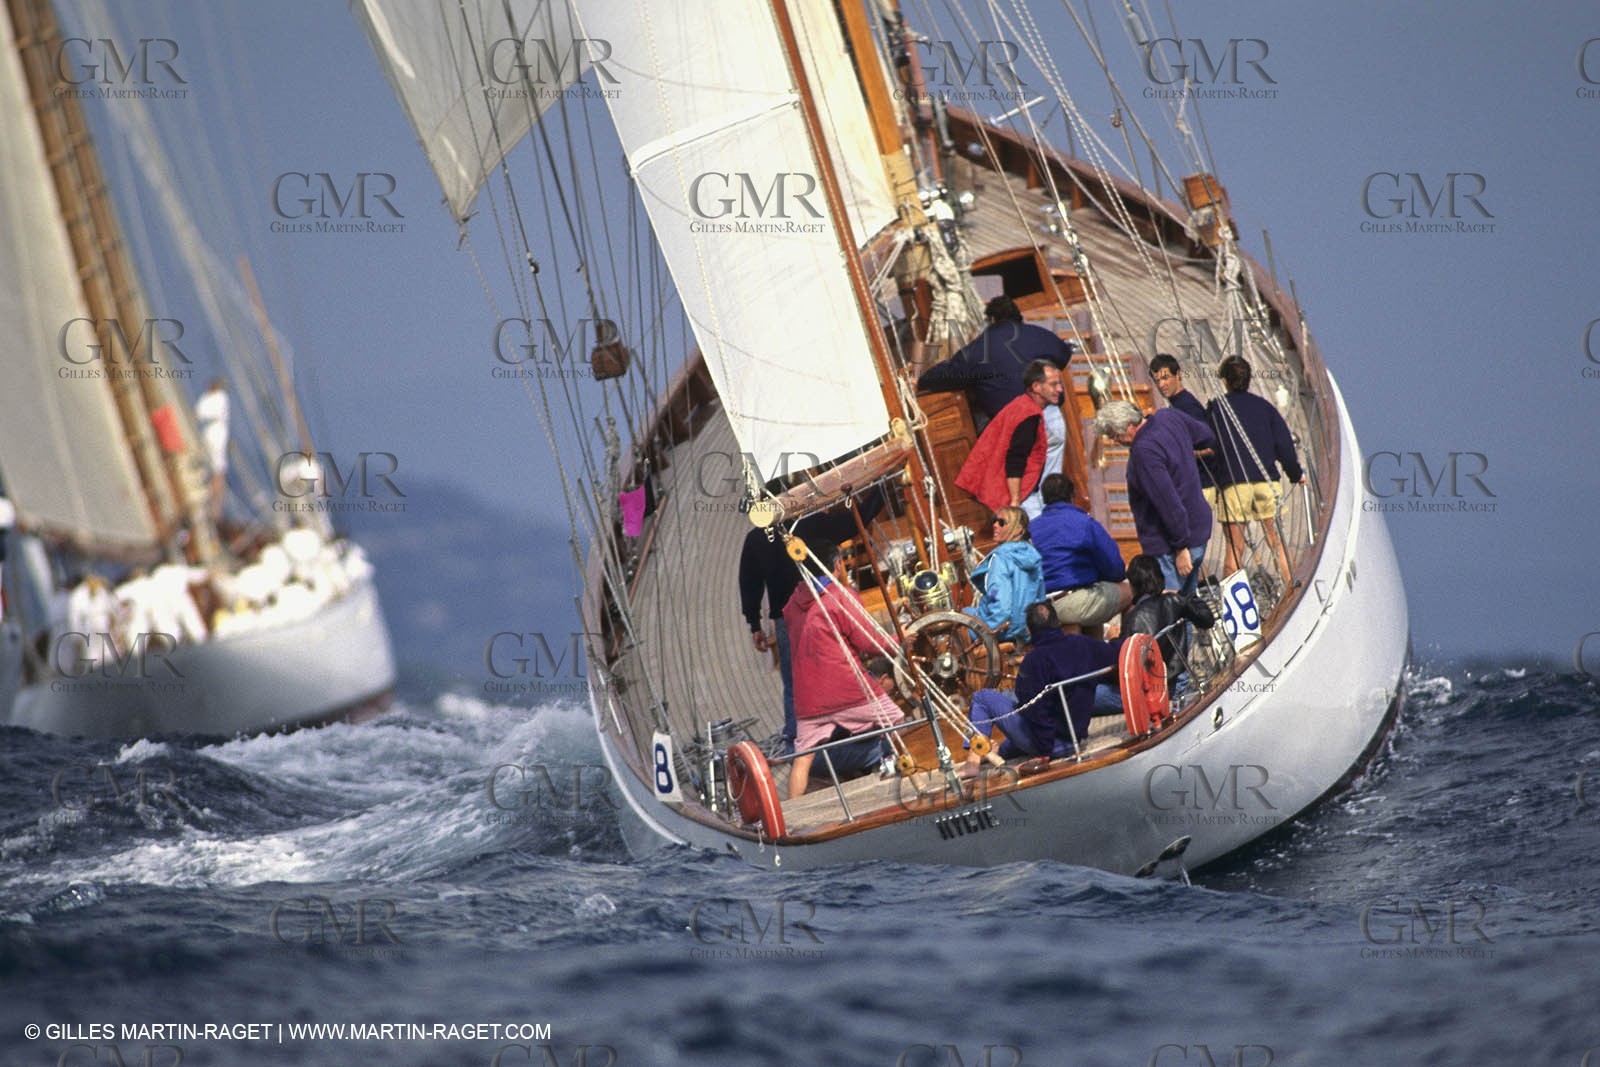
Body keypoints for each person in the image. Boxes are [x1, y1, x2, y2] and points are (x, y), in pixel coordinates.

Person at [738, 490, 885, 754]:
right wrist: (881, 491)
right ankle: (858, 731)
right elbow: (855, 520)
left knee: (795, 685)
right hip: (824, 611)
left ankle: (799, 747)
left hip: (786, 620)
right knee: (843, 669)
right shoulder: (811, 523)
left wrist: (755, 625)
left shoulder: (755, 539)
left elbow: (749, 584)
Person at [782, 539, 904, 798]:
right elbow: (869, 644)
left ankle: (791, 817)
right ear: (837, 566)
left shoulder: (792, 605)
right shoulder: (840, 597)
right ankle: (893, 776)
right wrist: (900, 641)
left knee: (802, 758)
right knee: (894, 721)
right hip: (848, 690)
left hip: (807, 700)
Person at [964, 601, 1122, 768]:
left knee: (982, 698)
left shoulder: (1034, 661)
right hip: (1074, 737)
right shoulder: (1083, 644)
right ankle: (990, 753)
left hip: (1048, 745)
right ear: (1058, 623)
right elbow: (1116, 653)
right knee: (1005, 747)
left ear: (1029, 631)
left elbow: (1033, 711)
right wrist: (1116, 639)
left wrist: (1044, 753)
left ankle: (971, 764)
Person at [1094, 400, 1215, 598]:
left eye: (1116, 436)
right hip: (1199, 528)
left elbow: (1168, 502)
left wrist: (1181, 546)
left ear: (1129, 426)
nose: (1116, 442)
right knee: (1188, 604)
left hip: (1173, 546)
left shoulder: (1143, 452)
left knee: (1171, 609)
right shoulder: (1169, 416)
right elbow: (1206, 436)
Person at [1206, 356, 1304, 589]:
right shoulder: (1265, 408)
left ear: (1225, 381)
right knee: (1276, 541)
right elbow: (1285, 447)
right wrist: (1295, 474)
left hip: (1234, 485)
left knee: (1234, 548)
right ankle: (1293, 588)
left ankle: (1234, 604)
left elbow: (1209, 447)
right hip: (1265, 482)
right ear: (1248, 380)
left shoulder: (1216, 409)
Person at [917, 295, 1075, 422]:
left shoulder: (980, 348)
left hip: (1015, 423)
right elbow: (1064, 354)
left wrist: (922, 381)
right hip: (1050, 417)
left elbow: (950, 372)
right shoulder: (1042, 335)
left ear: (992, 320)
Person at [953, 359, 1067, 518]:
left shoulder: (1021, 405)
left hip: (1011, 489)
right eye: (1053, 384)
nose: (1060, 389)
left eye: (1059, 384)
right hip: (1019, 495)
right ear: (1036, 387)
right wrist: (1015, 501)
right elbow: (1016, 458)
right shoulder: (1028, 416)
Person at [1029, 474, 1131, 630]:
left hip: (1040, 605)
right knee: (1130, 591)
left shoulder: (1031, 527)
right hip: (1072, 601)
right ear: (1072, 496)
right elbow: (1115, 568)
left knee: (1092, 597)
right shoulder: (1085, 523)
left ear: (1044, 498)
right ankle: (1123, 645)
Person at [1123, 554, 1215, 696]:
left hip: (1147, 690)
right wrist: (1182, 595)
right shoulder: (1174, 601)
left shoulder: (1132, 619)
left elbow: (1124, 665)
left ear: (1133, 585)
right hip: (1175, 679)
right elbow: (1207, 619)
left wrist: (1113, 638)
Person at [964, 506, 1046, 644]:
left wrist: (988, 631)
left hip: (1005, 629)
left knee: (963, 617)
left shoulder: (1000, 559)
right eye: (994, 521)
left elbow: (1001, 607)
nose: (995, 525)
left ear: (1018, 529)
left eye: (1002, 522)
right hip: (1026, 629)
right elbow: (1040, 597)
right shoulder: (1033, 555)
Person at [1149, 352, 1218, 506]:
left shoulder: (1187, 406)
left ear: (1178, 375)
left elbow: (1211, 447)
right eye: (1157, 381)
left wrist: (1177, 454)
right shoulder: (1176, 404)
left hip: (1200, 486)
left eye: (1165, 378)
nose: (1161, 385)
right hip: (1191, 486)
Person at [195, 378, 229, 520]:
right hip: (207, 434)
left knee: (218, 469)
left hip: (217, 434)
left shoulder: (221, 397)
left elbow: (207, 413)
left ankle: (215, 511)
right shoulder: (206, 397)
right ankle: (205, 505)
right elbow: (199, 413)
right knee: (206, 467)